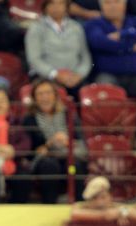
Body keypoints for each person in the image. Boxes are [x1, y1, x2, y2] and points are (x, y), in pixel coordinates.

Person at [20, 77, 87, 205]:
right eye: (40, 94)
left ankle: (78, 204)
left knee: (74, 166)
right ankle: (49, 204)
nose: (45, 97)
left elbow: (81, 142)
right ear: (34, 98)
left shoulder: (69, 114)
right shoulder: (29, 119)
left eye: (48, 93)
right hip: (45, 160)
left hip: (68, 156)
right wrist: (48, 144)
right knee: (49, 165)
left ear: (55, 95)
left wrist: (68, 142)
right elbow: (29, 150)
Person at [84, 0, 136, 102]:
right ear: (101, 6)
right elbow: (100, 42)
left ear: (124, 4)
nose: (112, 6)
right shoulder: (94, 24)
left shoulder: (135, 21)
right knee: (103, 95)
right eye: (108, 3)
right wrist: (131, 47)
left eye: (116, 2)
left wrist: (122, 34)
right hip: (108, 75)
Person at [24, 0, 92, 92]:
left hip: (74, 77)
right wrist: (55, 74)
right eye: (52, 3)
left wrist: (79, 74)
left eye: (61, 3)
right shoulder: (36, 28)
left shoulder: (76, 27)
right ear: (45, 6)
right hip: (46, 78)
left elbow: (85, 57)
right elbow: (34, 59)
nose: (56, 7)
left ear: (66, 6)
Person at [70, 174, 136, 223]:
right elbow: (74, 213)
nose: (99, 202)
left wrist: (121, 212)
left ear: (110, 196)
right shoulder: (81, 206)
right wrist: (104, 215)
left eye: (103, 197)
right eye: (94, 198)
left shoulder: (116, 206)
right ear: (88, 200)